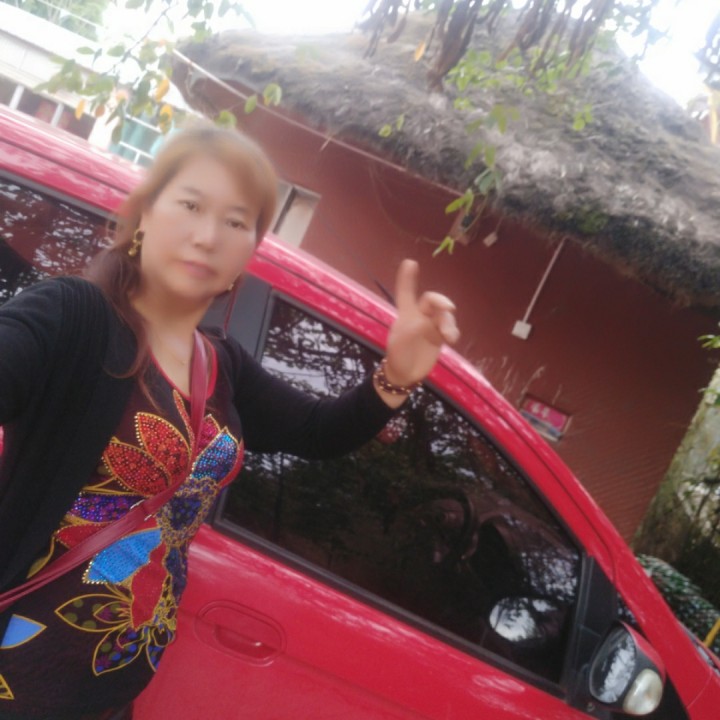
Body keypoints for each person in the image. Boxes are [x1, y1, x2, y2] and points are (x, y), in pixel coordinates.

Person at [0, 123, 459, 719]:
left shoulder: (221, 366)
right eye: (191, 205)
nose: (208, 236)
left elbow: (317, 431)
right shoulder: (75, 316)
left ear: (250, 251)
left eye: (236, 222)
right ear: (145, 214)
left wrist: (395, 376)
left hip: (108, 692)